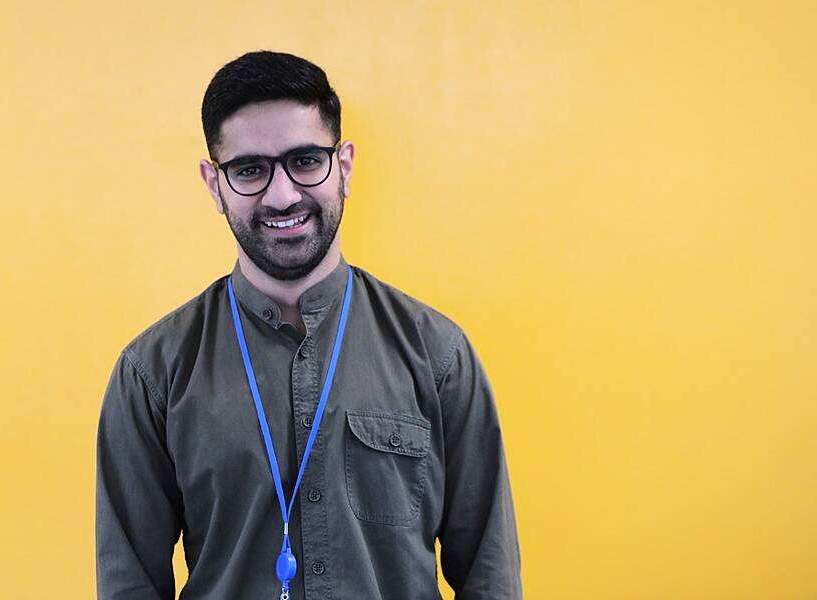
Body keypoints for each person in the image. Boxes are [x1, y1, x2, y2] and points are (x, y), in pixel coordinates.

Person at [96, 50, 522, 600]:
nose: (282, 195)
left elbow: (491, 577)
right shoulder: (152, 374)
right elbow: (129, 585)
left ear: (343, 165)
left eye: (305, 160)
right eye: (249, 169)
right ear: (213, 184)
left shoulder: (438, 355)